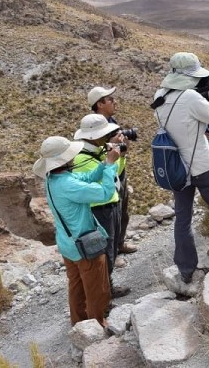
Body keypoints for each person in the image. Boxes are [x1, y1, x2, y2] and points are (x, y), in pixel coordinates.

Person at [151, 52, 209, 283]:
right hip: (202, 166)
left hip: (177, 168)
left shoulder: (160, 95)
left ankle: (186, 270)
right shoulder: (190, 97)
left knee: (183, 218)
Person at [33, 136, 121, 326]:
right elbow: (105, 192)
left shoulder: (53, 179)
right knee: (97, 289)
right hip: (85, 246)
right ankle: (96, 326)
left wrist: (105, 163)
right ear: (64, 160)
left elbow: (86, 177)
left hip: (68, 244)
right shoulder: (68, 185)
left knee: (77, 287)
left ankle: (79, 324)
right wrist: (112, 164)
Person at [72, 114, 130, 298]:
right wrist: (110, 161)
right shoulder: (81, 158)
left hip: (110, 206)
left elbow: (116, 173)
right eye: (104, 135)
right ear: (93, 136)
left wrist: (119, 154)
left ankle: (108, 289)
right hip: (100, 209)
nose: (107, 138)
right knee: (105, 254)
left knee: (110, 251)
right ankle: (102, 297)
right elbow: (101, 187)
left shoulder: (96, 151)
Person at [87, 86, 138, 255]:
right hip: (108, 173)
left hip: (118, 170)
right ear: (100, 104)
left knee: (123, 212)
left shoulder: (111, 121)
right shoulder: (96, 128)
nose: (114, 102)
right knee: (113, 214)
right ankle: (111, 251)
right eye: (110, 100)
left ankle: (119, 244)